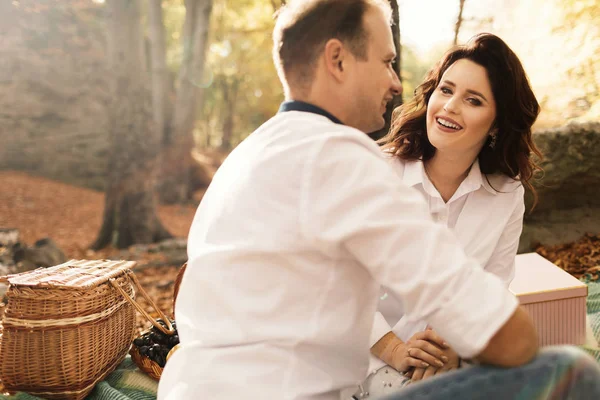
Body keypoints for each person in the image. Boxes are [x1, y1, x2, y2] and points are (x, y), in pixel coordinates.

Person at [157, 1, 600, 399]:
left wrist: (453, 347)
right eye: (387, 62)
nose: (395, 82)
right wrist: (481, 339)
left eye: (473, 99)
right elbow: (501, 331)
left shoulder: (251, 152)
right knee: (574, 368)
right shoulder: (341, 158)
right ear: (338, 60)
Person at [359, 33, 544, 396]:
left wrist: (455, 351)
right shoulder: (375, 174)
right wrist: (395, 349)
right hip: (362, 359)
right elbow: (339, 289)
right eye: (446, 90)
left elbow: (494, 291)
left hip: (449, 367)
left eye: (473, 100)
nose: (450, 107)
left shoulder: (506, 194)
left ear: (496, 123)